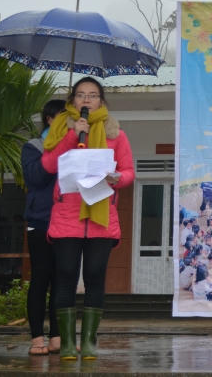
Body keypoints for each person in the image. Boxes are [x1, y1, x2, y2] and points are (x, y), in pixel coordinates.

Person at [41, 76, 135, 360]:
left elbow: (128, 172)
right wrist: (73, 135)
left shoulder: (116, 133)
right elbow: (48, 165)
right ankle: (68, 344)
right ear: (72, 100)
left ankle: (90, 342)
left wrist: (116, 177)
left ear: (101, 101)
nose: (86, 100)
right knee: (65, 277)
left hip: (101, 216)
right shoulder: (61, 127)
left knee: (95, 276)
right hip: (67, 216)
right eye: (81, 94)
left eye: (92, 95)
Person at [21, 99, 66, 355]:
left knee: (62, 280)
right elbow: (35, 178)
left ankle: (57, 337)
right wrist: (57, 151)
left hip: (67, 222)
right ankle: (37, 338)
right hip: (41, 221)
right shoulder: (33, 146)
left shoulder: (76, 146)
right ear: (49, 118)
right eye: (63, 116)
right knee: (40, 279)